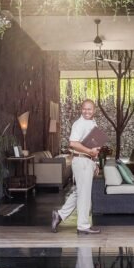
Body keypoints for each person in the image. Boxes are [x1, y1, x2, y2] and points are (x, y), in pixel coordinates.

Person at [52, 99, 101, 234]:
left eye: (89, 109)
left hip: (88, 161)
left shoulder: (92, 123)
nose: (86, 111)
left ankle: (59, 215)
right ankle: (83, 226)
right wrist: (89, 152)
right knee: (84, 195)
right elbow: (73, 143)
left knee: (80, 192)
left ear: (94, 110)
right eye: (84, 109)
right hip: (81, 161)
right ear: (81, 109)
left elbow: (93, 144)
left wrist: (95, 162)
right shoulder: (79, 124)